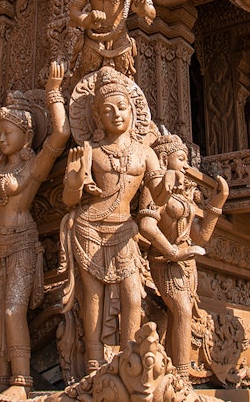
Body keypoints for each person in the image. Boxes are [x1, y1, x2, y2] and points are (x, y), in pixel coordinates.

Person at [60, 67, 165, 374]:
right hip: (89, 227)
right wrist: (76, 180)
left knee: (133, 296)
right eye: (108, 111)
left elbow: (156, 196)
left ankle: (129, 356)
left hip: (124, 230)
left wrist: (168, 183)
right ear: (96, 117)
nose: (116, 115)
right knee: (92, 298)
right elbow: (70, 200)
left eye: (122, 108)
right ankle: (94, 362)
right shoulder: (89, 150)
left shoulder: (146, 153)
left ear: (133, 111)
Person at [0, 61, 69, 401]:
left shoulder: (32, 169)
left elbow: (59, 135)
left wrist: (54, 93)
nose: (1, 139)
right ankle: (2, 379)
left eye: (7, 133)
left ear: (26, 136)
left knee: (15, 310)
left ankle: (21, 380)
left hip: (22, 242)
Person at [138, 132, 228, 382]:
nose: (186, 165)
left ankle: (167, 372)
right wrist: (172, 252)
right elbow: (146, 225)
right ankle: (181, 377)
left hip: (188, 263)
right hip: (165, 261)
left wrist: (217, 203)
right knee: (183, 311)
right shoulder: (155, 188)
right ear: (164, 159)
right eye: (181, 158)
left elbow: (200, 238)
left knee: (175, 313)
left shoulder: (183, 194)